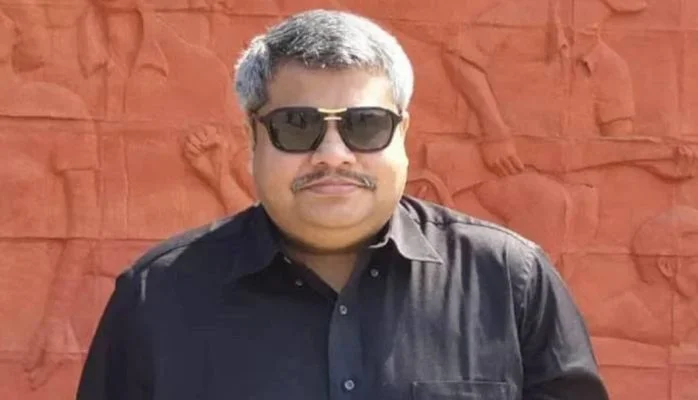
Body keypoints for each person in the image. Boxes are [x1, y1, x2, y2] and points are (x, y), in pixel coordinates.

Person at [76, 9, 609, 400]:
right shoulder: (157, 298)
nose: (333, 154)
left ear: (403, 134)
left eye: (365, 125)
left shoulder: (510, 282)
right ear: (252, 137)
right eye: (297, 125)